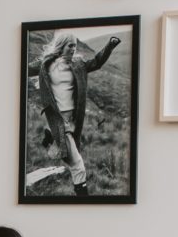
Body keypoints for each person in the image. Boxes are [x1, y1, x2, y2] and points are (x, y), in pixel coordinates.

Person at [30, 30, 121, 197]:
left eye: (75, 45)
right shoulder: (46, 64)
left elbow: (97, 62)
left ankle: (50, 142)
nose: (73, 49)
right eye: (70, 45)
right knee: (77, 162)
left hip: (74, 119)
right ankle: (82, 195)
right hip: (57, 118)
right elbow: (23, 69)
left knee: (66, 156)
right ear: (62, 46)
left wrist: (110, 45)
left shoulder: (78, 65)